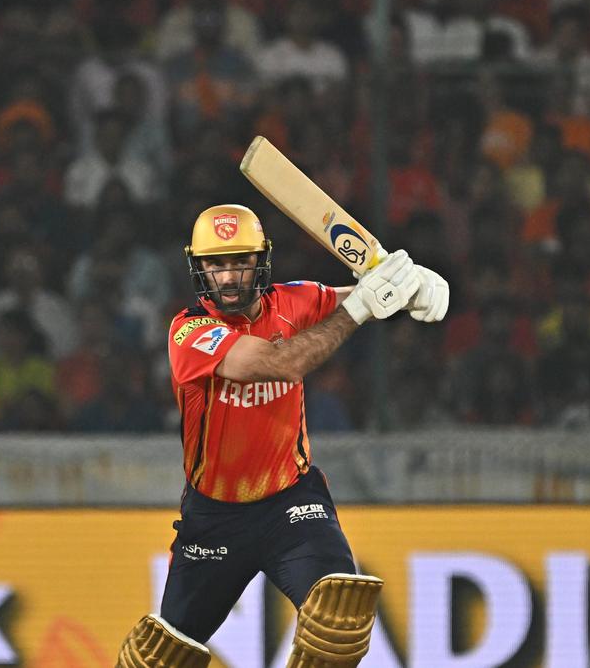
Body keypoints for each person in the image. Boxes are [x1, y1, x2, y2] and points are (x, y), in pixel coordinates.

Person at [116, 205, 448, 667]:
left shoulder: (296, 301)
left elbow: (366, 297)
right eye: (215, 264)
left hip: (292, 503)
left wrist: (413, 289)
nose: (227, 277)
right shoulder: (188, 332)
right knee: (159, 659)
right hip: (215, 517)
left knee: (338, 622)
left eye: (240, 261)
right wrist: (362, 306)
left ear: (261, 260)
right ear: (198, 267)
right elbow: (282, 363)